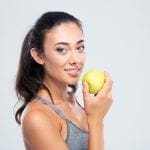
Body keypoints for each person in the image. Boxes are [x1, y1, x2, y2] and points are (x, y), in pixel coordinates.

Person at [15, 11, 113, 150]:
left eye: (80, 48)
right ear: (38, 55)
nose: (76, 60)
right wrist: (96, 120)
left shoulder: (72, 100)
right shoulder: (37, 117)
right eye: (62, 49)